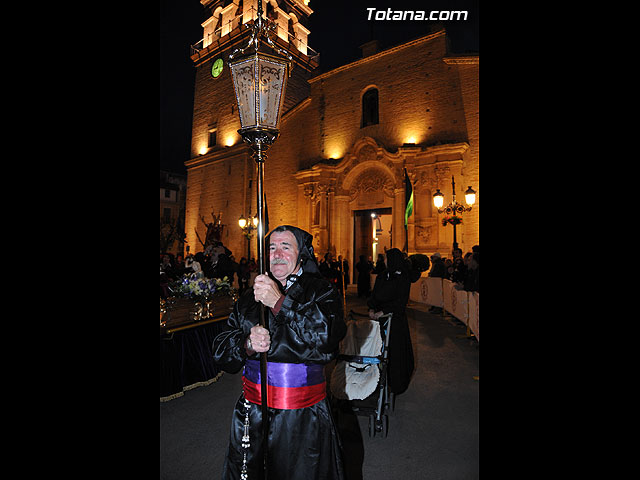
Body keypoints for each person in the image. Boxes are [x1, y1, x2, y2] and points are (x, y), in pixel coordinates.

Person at [212, 225, 347, 480]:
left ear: (301, 255)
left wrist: (279, 302)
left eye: (286, 247)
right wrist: (247, 344)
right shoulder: (250, 297)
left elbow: (326, 338)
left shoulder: (321, 291)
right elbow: (220, 351)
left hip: (302, 415)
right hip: (252, 413)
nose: (277, 253)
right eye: (272, 247)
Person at [367, 248, 415, 396]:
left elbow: (400, 300)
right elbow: (375, 294)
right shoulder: (383, 275)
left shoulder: (403, 278)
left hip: (394, 320)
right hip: (379, 320)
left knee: (395, 352)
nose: (385, 261)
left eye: (387, 258)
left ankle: (395, 383)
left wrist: (385, 311)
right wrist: (372, 307)